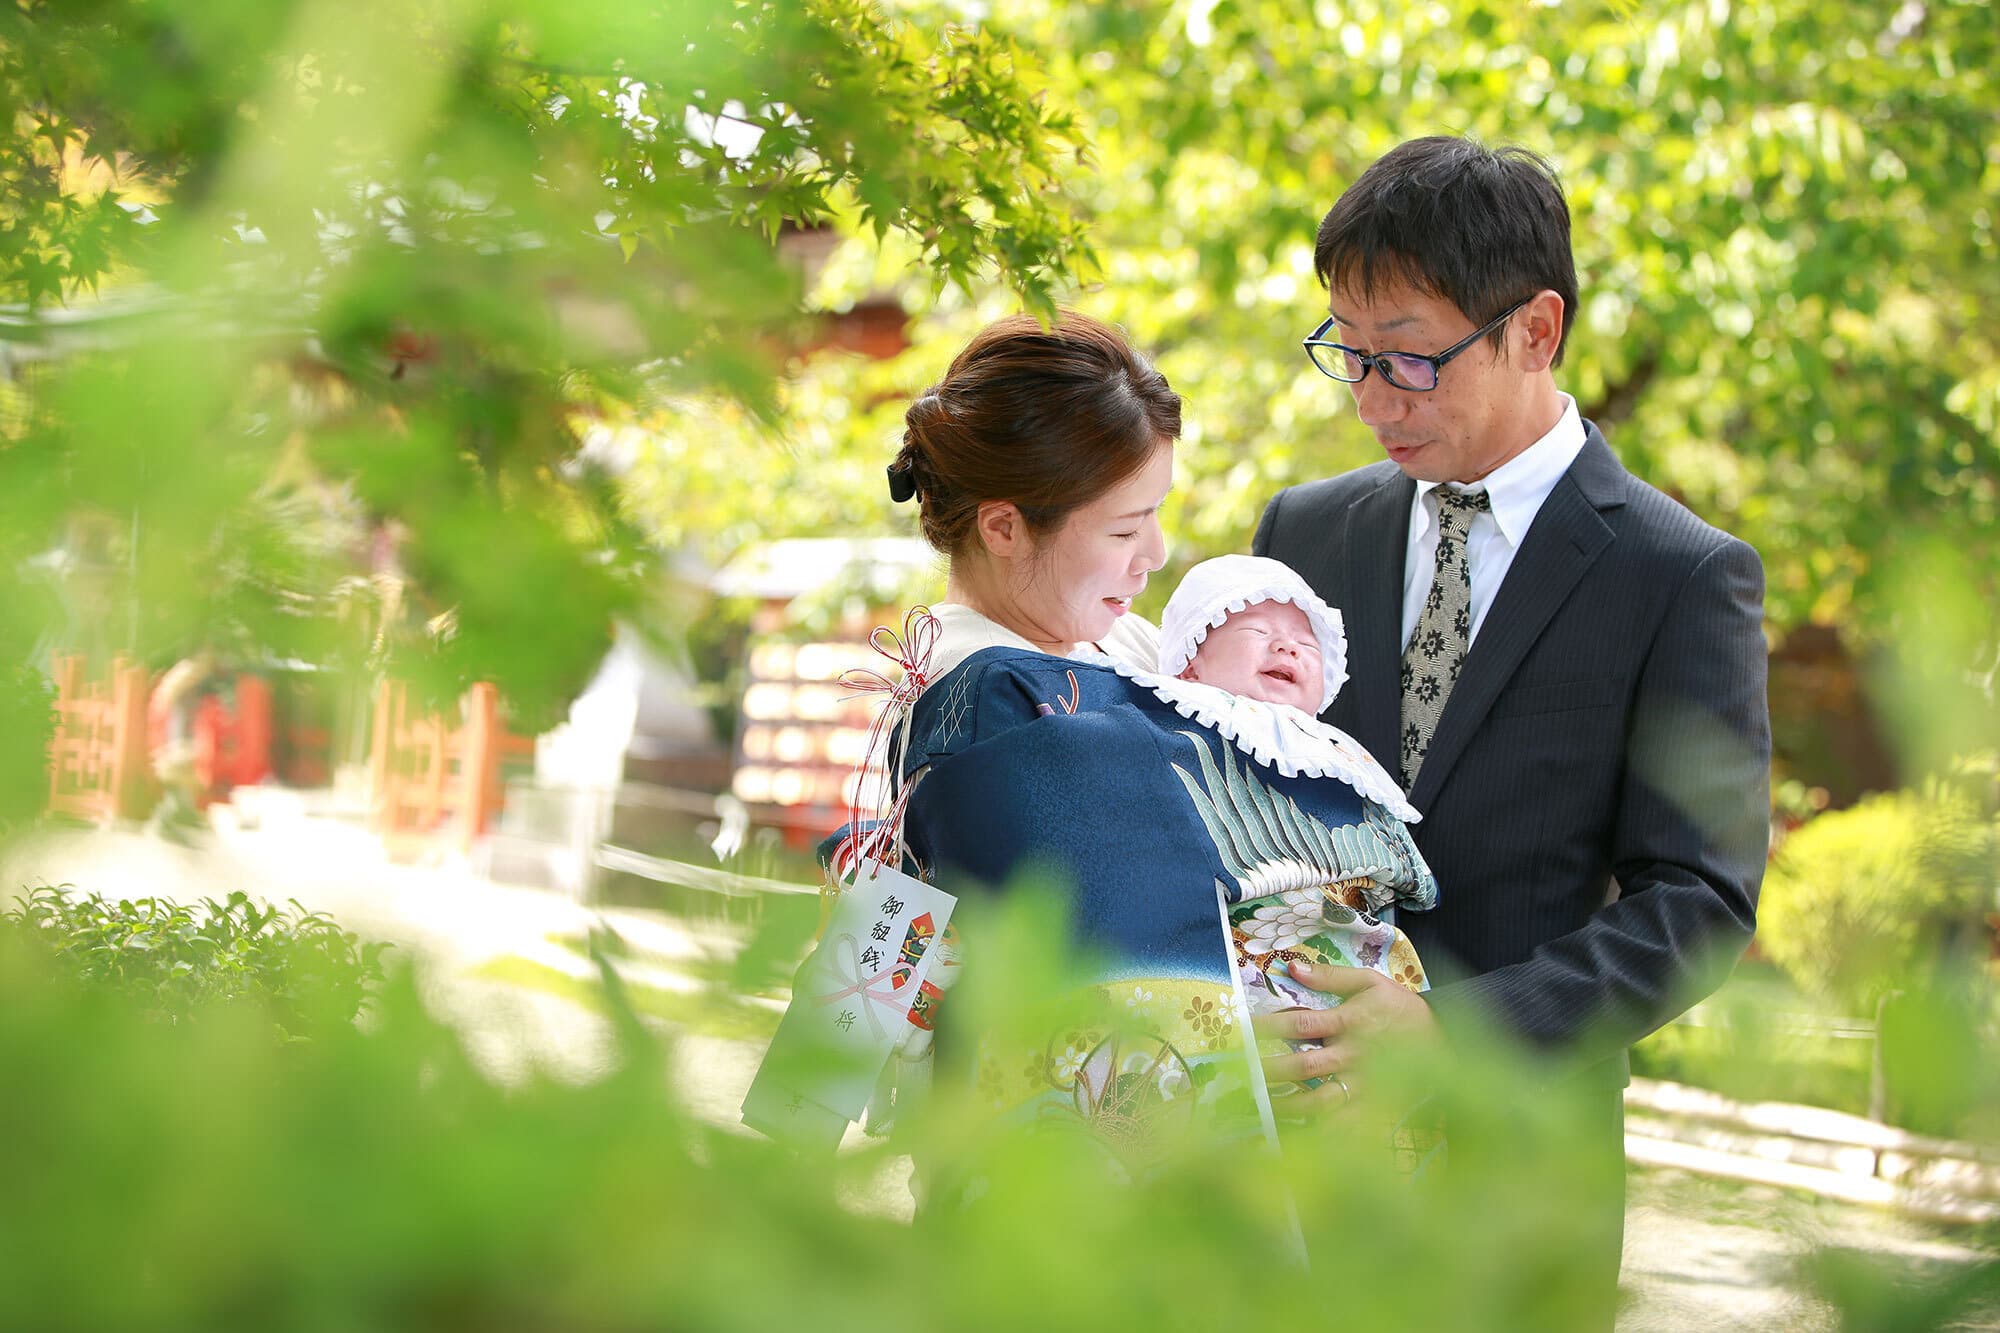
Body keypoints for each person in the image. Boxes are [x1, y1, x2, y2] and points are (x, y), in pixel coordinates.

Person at [1253, 135, 1770, 1311]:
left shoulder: (1679, 573)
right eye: (1350, 354)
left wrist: (1451, 1032)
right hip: (1276, 1158)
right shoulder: (1301, 531)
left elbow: (1698, 902)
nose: (1374, 398)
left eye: (1411, 361)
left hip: (1516, 1183)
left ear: (1534, 330)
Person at [812, 314, 1435, 1166]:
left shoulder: (1135, 650)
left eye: (1157, 514)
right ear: (1003, 526)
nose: (1155, 552)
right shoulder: (973, 694)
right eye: (1121, 528)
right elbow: (892, 947)